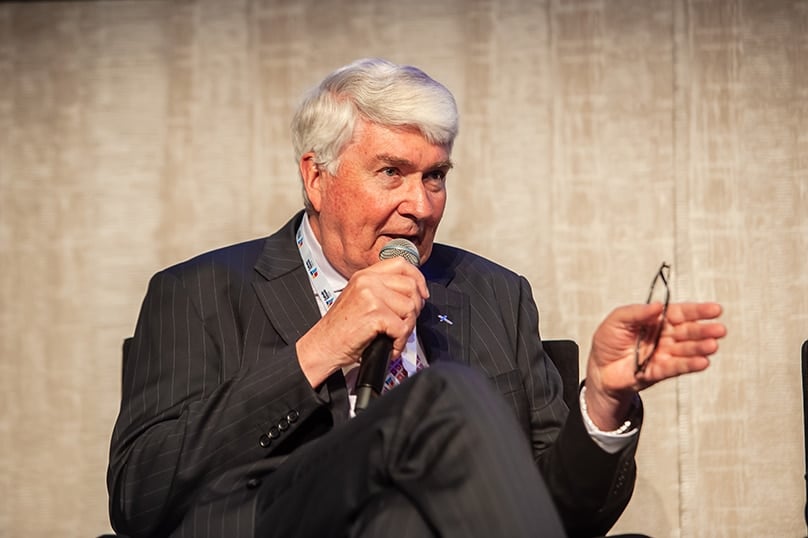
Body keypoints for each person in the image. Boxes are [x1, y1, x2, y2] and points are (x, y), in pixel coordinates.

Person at [107, 58, 726, 538]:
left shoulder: (494, 295)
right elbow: (140, 494)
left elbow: (559, 513)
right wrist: (321, 348)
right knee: (448, 393)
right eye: (391, 173)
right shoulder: (199, 293)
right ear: (315, 177)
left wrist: (602, 401)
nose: (422, 204)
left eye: (435, 176)